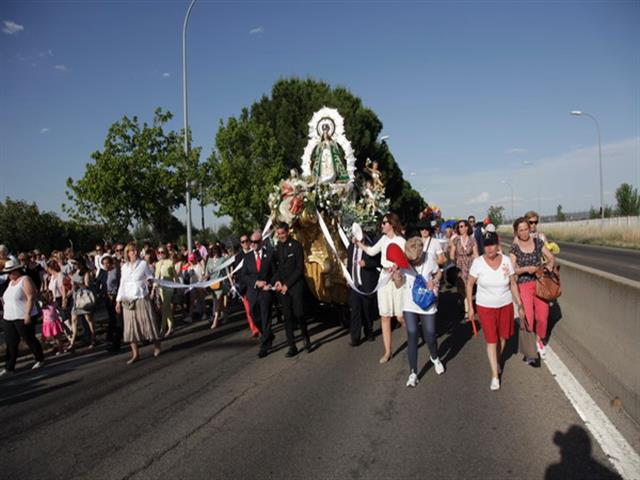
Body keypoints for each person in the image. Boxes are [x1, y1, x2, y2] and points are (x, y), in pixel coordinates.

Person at [467, 232, 525, 391]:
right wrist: (470, 307)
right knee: (492, 340)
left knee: (503, 337)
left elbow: (513, 283)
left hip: (505, 305)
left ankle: (497, 360)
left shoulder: (506, 261)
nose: (489, 248)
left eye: (492, 244)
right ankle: (495, 375)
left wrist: (520, 304)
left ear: (497, 245)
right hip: (485, 307)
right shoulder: (478, 263)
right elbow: (470, 284)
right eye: (486, 245)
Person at [357, 213, 406, 364]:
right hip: (384, 278)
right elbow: (372, 251)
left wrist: (397, 266)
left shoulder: (401, 241)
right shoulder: (383, 239)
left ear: (391, 224)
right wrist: (359, 244)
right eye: (382, 223)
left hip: (398, 278)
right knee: (385, 316)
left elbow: (406, 259)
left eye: (384, 223)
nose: (382, 225)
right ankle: (388, 351)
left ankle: (413, 335)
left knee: (400, 316)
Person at [509, 217, 555, 361]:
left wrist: (548, 266)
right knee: (528, 317)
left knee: (542, 317)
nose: (524, 232)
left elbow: (550, 257)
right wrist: (526, 269)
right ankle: (530, 350)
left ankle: (539, 339)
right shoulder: (514, 248)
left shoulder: (537, 242)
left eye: (526, 229)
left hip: (540, 284)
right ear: (516, 232)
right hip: (524, 285)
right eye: (520, 230)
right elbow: (512, 269)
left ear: (530, 229)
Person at [401, 237, 445, 388]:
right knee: (412, 333)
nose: (413, 263)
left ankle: (434, 357)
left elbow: (439, 273)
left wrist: (434, 281)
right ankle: (413, 372)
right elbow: (399, 283)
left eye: (415, 260)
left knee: (430, 334)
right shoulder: (404, 262)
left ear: (421, 254)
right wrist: (394, 276)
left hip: (427, 302)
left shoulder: (429, 259)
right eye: (410, 260)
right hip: (409, 303)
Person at [115, 242, 161, 364]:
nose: (134, 252)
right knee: (130, 327)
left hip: (141, 297)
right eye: (131, 251)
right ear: (127, 253)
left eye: (135, 250)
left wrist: (150, 282)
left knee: (147, 322)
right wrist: (118, 301)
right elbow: (122, 284)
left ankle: (156, 345)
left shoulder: (143, 264)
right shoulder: (124, 267)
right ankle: (135, 354)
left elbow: (150, 276)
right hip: (128, 300)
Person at [272, 222, 311, 357]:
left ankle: (305, 337)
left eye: (283, 233)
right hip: (283, 288)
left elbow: (299, 269)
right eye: (279, 234)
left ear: (288, 232)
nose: (281, 236)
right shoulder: (277, 247)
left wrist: (287, 285)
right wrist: (277, 281)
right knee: (287, 316)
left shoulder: (296, 246)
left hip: (295, 285)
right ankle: (292, 346)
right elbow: (278, 269)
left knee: (299, 313)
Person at [0, 260, 45, 376]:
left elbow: (31, 297)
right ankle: (9, 367)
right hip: (9, 317)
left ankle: (39, 358)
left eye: (10, 272)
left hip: (22, 315)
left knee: (29, 338)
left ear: (16, 270)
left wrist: (27, 314)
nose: (9, 274)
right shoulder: (10, 283)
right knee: (11, 342)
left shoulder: (25, 279)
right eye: (7, 272)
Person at [240, 230, 276, 358]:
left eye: (255, 242)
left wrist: (269, 284)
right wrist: (255, 282)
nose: (252, 244)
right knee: (255, 317)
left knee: (266, 318)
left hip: (265, 292)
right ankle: (268, 335)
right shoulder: (248, 257)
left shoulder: (269, 254)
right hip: (253, 292)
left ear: (261, 242)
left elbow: (275, 273)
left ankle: (265, 345)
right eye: (251, 242)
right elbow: (244, 275)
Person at [346, 230, 380, 346]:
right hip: (355, 284)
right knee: (355, 310)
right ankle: (355, 337)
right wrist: (348, 278)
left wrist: (367, 263)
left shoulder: (370, 246)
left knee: (367, 309)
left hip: (366, 283)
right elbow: (349, 264)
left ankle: (369, 332)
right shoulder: (351, 247)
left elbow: (377, 262)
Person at [234, 234, 260, 337]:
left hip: (257, 284)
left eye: (246, 240)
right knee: (249, 310)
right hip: (245, 287)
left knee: (258, 308)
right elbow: (238, 273)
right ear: (241, 244)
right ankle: (254, 329)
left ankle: (261, 325)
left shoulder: (255, 252)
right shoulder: (238, 257)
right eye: (243, 242)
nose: (245, 243)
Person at [67, 259, 97, 350]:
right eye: (73, 263)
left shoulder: (86, 273)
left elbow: (87, 285)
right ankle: (72, 343)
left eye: (76, 263)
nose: (74, 265)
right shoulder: (74, 272)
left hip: (83, 298)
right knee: (74, 321)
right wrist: (66, 296)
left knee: (89, 319)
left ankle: (93, 338)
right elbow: (72, 288)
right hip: (75, 299)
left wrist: (78, 284)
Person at [95, 255, 122, 351]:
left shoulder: (116, 271)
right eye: (104, 264)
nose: (106, 265)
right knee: (111, 319)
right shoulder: (103, 273)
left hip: (115, 296)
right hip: (107, 297)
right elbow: (98, 284)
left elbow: (119, 284)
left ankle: (115, 340)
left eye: (108, 263)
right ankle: (111, 339)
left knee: (118, 319)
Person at [153, 246, 176, 336]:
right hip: (161, 288)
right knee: (167, 308)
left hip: (169, 286)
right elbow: (156, 277)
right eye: (159, 252)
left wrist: (179, 286)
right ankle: (171, 326)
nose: (160, 254)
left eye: (162, 252)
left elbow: (175, 275)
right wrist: (153, 289)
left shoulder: (170, 262)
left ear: (166, 253)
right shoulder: (157, 264)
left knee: (165, 307)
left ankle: (163, 328)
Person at [41, 291, 66, 356]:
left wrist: (61, 315)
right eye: (49, 296)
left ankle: (60, 349)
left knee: (57, 337)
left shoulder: (54, 303)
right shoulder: (43, 306)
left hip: (54, 322)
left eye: (52, 295)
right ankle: (41, 351)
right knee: (44, 338)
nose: (51, 297)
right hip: (46, 324)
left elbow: (59, 310)